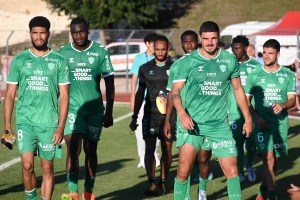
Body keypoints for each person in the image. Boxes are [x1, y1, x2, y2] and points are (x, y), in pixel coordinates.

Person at [171, 21, 253, 200]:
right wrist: (182, 114)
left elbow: (238, 90)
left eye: (213, 38)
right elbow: (175, 91)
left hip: (219, 126)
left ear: (218, 38)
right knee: (183, 171)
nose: (209, 42)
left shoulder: (229, 60)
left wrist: (247, 118)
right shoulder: (190, 60)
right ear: (200, 38)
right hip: (192, 124)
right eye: (206, 39)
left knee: (233, 171)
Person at [2, 16, 70, 200]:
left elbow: (64, 96)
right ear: (30, 34)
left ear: (48, 33)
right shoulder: (19, 60)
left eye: (42, 32)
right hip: (25, 121)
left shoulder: (59, 61)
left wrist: (61, 126)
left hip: (49, 122)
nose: (38, 36)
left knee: (47, 168)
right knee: (27, 166)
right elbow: (9, 95)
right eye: (35, 32)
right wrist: (8, 125)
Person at [59, 17, 115, 200]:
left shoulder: (100, 52)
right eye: (74, 32)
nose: (78, 35)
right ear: (71, 32)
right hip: (73, 109)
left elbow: (110, 84)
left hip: (95, 110)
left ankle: (88, 192)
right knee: (73, 148)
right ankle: (73, 191)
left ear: (88, 30)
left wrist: (109, 112)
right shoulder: (63, 53)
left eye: (81, 31)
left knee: (91, 151)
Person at [244, 39, 296, 200]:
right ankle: (272, 195)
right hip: (262, 124)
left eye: (270, 53)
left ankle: (262, 192)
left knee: (275, 160)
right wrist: (256, 117)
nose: (266, 56)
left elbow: (292, 100)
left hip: (280, 124)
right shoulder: (255, 75)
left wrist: (283, 105)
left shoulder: (288, 75)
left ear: (278, 54)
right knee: (268, 158)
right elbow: (246, 102)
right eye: (264, 52)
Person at [164, 30, 212, 200]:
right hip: (185, 121)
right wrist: (168, 121)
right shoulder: (177, 66)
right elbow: (171, 94)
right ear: (182, 44)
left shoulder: (208, 62)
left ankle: (202, 189)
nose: (189, 45)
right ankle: (185, 196)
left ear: (197, 42)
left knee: (204, 159)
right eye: (186, 42)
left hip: (207, 120)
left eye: (192, 42)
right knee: (185, 163)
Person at [129, 35, 176, 196]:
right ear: (153, 49)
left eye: (163, 49)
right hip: (150, 114)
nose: (161, 52)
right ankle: (151, 183)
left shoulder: (175, 67)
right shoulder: (145, 68)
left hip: (169, 115)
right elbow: (140, 91)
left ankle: (162, 182)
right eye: (157, 49)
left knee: (167, 148)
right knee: (149, 148)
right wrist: (135, 116)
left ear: (168, 48)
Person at [229, 35, 260, 183]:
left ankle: (249, 165)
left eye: (238, 48)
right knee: (238, 141)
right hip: (234, 110)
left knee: (252, 140)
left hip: (253, 110)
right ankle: (240, 171)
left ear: (246, 48)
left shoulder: (257, 66)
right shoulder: (230, 66)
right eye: (233, 48)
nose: (235, 51)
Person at [130, 32, 160, 168]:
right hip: (142, 100)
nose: (156, 46)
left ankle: (154, 154)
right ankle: (142, 156)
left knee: (157, 129)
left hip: (158, 100)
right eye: (153, 43)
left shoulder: (161, 57)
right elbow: (134, 79)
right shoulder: (139, 58)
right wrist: (132, 97)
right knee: (140, 129)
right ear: (147, 44)